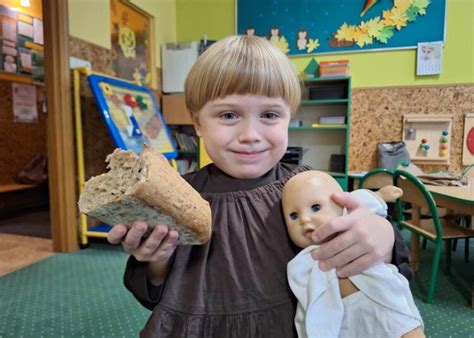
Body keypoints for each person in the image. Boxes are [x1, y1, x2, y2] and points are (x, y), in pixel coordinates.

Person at [107, 35, 412, 337]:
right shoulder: (178, 197)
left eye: (269, 115)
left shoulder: (308, 186)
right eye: (228, 115)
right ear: (197, 122)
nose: (250, 134)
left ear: (289, 117)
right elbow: (154, 298)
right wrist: (157, 259)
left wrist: (382, 235)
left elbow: (374, 261)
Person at [282, 171, 424, 338]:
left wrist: (380, 195)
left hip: (379, 296)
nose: (304, 219)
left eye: (316, 208)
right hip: (340, 318)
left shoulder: (353, 222)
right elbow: (307, 306)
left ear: (341, 204)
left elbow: (363, 200)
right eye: (293, 216)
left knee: (400, 325)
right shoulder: (303, 261)